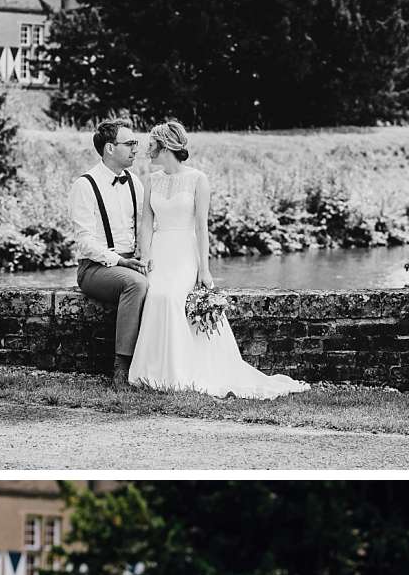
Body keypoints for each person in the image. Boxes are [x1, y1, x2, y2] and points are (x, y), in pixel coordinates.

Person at [128, 121, 308, 399]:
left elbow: (201, 227)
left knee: (173, 297)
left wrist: (205, 269)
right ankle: (155, 372)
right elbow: (146, 222)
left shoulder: (198, 179)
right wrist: (146, 254)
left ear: (165, 146)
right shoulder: (151, 179)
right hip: (160, 249)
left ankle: (181, 372)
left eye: (151, 144)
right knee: (155, 296)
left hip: (185, 250)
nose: (146, 149)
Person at [68, 118, 151, 387]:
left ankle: (156, 367)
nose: (135, 149)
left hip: (131, 260)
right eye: (130, 143)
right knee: (136, 284)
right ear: (109, 149)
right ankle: (120, 369)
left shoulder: (134, 182)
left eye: (135, 143)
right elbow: (85, 243)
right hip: (96, 267)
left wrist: (144, 255)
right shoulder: (85, 185)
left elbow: (146, 226)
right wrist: (120, 261)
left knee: (166, 285)